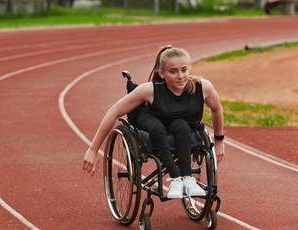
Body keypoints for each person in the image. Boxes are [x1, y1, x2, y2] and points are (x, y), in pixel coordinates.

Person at [83, 45, 225, 199]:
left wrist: (219, 141)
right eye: (173, 71)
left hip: (180, 128)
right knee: (158, 129)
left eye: (184, 70)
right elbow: (113, 112)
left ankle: (187, 179)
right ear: (161, 73)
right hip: (154, 123)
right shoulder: (149, 90)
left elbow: (216, 109)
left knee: (182, 125)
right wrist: (93, 149)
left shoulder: (203, 87)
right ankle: (176, 179)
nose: (180, 76)